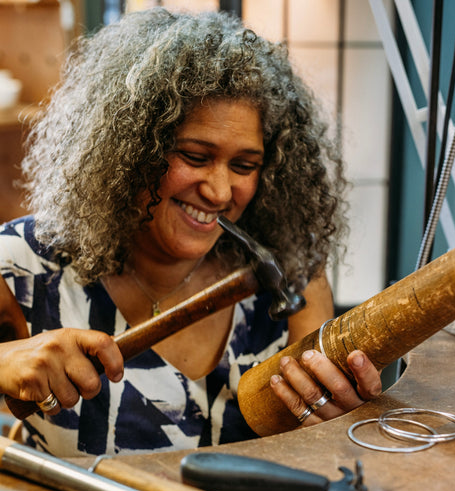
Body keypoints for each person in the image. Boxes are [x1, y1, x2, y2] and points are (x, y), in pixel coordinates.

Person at [0, 8, 382, 457]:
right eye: (196, 157)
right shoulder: (23, 262)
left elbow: (322, 453)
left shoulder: (290, 274)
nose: (219, 191)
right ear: (130, 148)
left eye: (244, 166)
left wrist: (342, 424)